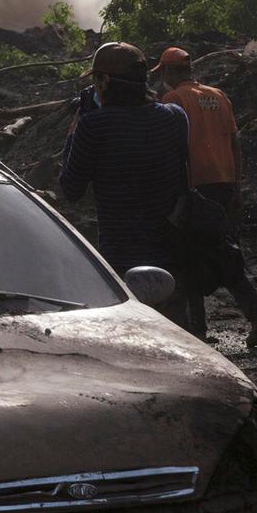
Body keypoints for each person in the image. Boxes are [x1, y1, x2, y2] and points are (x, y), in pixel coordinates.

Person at [59, 42, 193, 328]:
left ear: (105, 81)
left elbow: (70, 188)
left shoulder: (94, 126)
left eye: (96, 81)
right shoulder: (175, 117)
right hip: (173, 253)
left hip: (122, 259)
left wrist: (78, 124)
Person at [154, 47, 257, 345]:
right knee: (210, 250)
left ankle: (244, 319)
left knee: (198, 254)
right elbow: (235, 144)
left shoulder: (173, 100)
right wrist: (236, 186)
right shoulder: (219, 96)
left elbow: (171, 149)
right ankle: (212, 325)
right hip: (223, 184)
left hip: (194, 187)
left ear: (171, 72)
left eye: (163, 73)